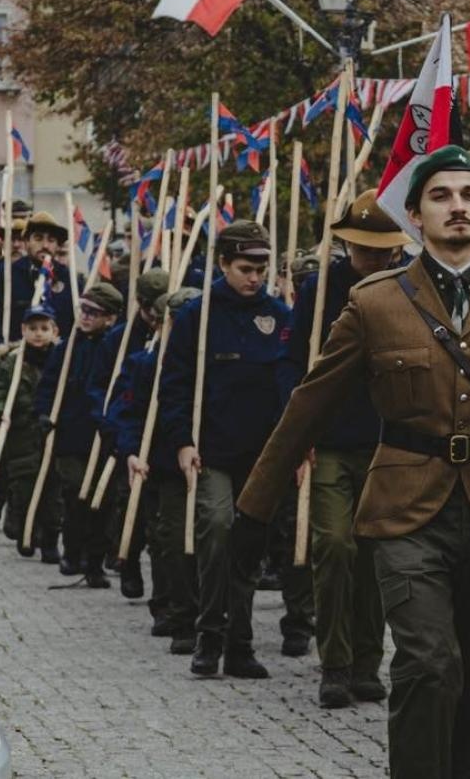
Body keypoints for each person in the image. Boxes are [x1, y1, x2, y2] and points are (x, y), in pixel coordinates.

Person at [233, 146, 470, 779]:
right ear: (416, 215)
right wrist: (253, 511)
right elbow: (307, 407)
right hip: (405, 513)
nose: (458, 207)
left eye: (469, 196)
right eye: (441, 196)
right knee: (427, 663)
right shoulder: (375, 303)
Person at [159, 220, 304, 680]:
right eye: (245, 267)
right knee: (217, 529)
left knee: (248, 547)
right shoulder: (196, 317)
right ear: (222, 264)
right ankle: (209, 635)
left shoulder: (281, 317)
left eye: (262, 268)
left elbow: (293, 386)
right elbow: (175, 385)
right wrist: (182, 441)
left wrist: (297, 445)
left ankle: (240, 644)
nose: (254, 277)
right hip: (213, 451)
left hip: (263, 455)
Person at [288, 188, 408, 709]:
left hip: (386, 441)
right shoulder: (320, 289)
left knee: (373, 557)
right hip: (330, 441)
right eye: (363, 250)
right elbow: (291, 367)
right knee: (334, 547)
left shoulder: (406, 290)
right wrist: (297, 439)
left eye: (381, 250)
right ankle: (334, 664)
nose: (372, 259)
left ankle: (365, 662)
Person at [112, 281, 199, 656]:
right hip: (162, 466)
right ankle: (172, 608)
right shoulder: (146, 365)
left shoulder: (210, 361)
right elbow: (126, 414)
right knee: (169, 540)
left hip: (209, 460)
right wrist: (131, 451)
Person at [36, 280, 123, 587]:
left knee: (102, 501)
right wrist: (45, 414)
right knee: (74, 493)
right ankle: (72, 552)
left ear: (110, 318)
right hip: (71, 432)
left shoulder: (115, 348)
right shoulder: (67, 347)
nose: (85, 317)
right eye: (83, 310)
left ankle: (95, 562)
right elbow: (48, 385)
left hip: (102, 435)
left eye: (93, 312)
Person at [96, 267, 169, 601]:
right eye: (152, 312)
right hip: (127, 431)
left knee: (158, 513)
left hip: (164, 433)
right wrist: (113, 431)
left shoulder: (178, 330)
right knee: (129, 505)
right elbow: (103, 387)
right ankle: (127, 560)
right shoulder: (120, 339)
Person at [0, 210, 74, 395]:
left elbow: (74, 324)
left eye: (51, 240)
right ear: (27, 241)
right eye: (38, 238)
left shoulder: (69, 280)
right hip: (9, 368)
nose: (45, 245)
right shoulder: (2, 275)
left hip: (55, 370)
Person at [0, 302, 61, 561]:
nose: (38, 333)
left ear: (54, 331)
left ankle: (50, 540)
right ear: (23, 330)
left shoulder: (62, 359)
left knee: (53, 494)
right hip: (21, 432)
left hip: (52, 434)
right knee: (24, 487)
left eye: (44, 328)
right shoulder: (13, 362)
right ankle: (23, 529)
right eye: (32, 328)